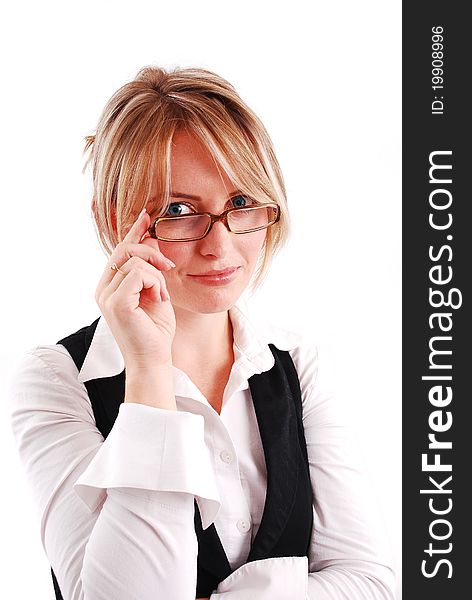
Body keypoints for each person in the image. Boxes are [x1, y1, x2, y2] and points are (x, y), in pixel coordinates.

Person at [9, 66, 396, 600]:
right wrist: (147, 374)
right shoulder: (57, 379)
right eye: (177, 211)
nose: (219, 246)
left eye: (240, 203)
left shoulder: (297, 365)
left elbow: (370, 582)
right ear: (112, 218)